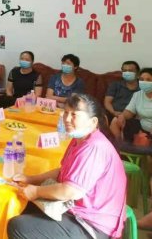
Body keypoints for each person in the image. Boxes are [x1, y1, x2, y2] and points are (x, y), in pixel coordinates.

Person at [7, 93, 126, 239]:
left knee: (18, 227)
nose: (67, 119)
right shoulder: (78, 140)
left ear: (93, 122)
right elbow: (62, 172)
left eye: (74, 114)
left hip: (93, 225)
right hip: (75, 209)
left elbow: (71, 191)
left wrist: (36, 191)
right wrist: (30, 179)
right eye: (66, 113)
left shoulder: (94, 146)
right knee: (23, 204)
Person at [110, 67, 152, 142]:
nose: (144, 82)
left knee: (143, 141)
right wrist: (122, 116)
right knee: (116, 120)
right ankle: (119, 145)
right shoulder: (137, 95)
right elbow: (129, 111)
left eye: (148, 80)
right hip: (142, 127)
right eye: (142, 79)